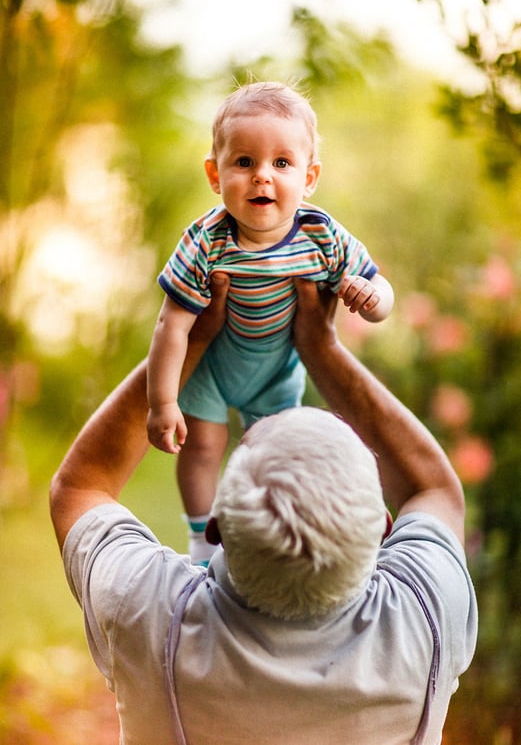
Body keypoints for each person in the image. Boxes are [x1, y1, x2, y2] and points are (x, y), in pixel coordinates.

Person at [50, 276, 477, 745]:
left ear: (215, 528)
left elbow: (81, 487)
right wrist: (322, 350)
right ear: (383, 530)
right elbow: (433, 487)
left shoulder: (150, 615)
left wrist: (188, 342)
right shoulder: (426, 618)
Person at [146, 81, 394, 563]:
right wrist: (162, 401)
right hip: (214, 369)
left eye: (281, 163)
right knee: (202, 449)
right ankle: (200, 540)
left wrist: (371, 298)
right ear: (215, 175)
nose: (262, 176)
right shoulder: (205, 240)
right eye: (244, 162)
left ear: (309, 177)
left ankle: (258, 542)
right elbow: (170, 325)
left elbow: (380, 290)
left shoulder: (321, 235)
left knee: (271, 458)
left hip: (278, 372)